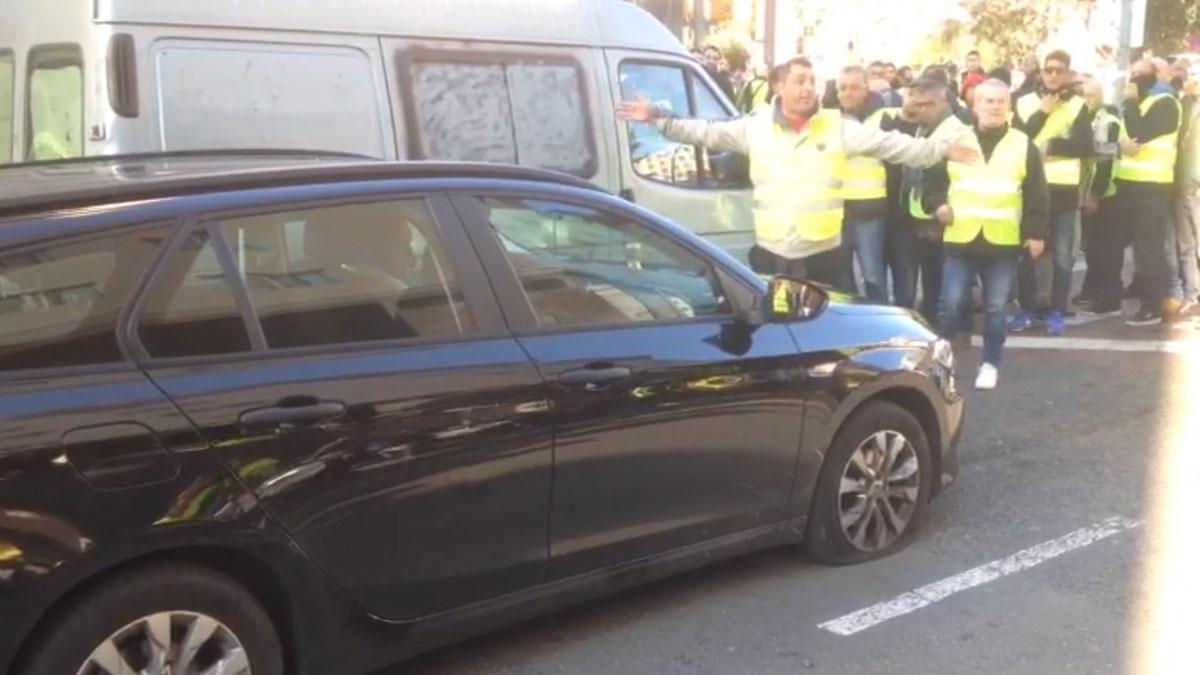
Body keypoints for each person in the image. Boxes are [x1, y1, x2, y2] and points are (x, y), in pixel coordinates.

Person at [616, 56, 980, 286]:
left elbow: (897, 146)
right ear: (779, 86)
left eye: (812, 81)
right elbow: (706, 132)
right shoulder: (754, 125)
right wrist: (661, 119)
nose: (808, 88)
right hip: (773, 254)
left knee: (824, 336)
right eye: (799, 81)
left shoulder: (837, 126)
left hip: (824, 257)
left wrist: (942, 149)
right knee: (776, 334)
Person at [935, 79, 1049, 390]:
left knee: (997, 308)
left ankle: (990, 363)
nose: (995, 106)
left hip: (1003, 241)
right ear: (976, 106)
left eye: (1001, 101)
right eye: (988, 101)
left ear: (1009, 107)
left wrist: (1036, 233)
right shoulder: (956, 139)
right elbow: (931, 179)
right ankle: (945, 362)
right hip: (961, 236)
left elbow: (1037, 193)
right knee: (952, 303)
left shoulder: (1023, 144)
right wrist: (937, 205)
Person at [1010, 50, 1094, 336]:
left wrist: (1053, 148)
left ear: (1069, 74)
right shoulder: (1023, 102)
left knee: (1063, 257)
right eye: (1049, 70)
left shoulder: (1078, 105)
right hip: (1031, 188)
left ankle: (1057, 311)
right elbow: (1018, 139)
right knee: (1026, 254)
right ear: (1041, 73)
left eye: (1060, 70)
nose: (1054, 75)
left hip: (1064, 191)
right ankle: (1027, 310)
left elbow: (1085, 146)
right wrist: (1043, 112)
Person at [881, 75, 971, 319]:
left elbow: (957, 175)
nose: (919, 109)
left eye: (927, 104)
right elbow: (886, 139)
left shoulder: (958, 131)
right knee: (906, 284)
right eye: (916, 103)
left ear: (944, 101)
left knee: (937, 282)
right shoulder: (917, 125)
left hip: (937, 217)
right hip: (908, 217)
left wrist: (941, 205)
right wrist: (903, 113)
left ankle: (945, 328)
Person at [1115, 57, 1183, 326]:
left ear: (1156, 76)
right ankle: (1142, 292)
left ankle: (1154, 305)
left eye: (1139, 75)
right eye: (1131, 73)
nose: (1133, 80)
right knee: (1136, 248)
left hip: (1153, 186)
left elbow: (1139, 131)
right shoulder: (1139, 103)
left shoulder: (1166, 103)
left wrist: (1130, 102)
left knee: (1149, 248)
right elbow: (1121, 137)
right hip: (1129, 184)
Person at [838, 65, 892, 301]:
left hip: (869, 210)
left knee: (872, 275)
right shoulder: (828, 119)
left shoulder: (882, 118)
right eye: (843, 88)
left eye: (854, 87)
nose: (848, 93)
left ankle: (879, 321)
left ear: (866, 89)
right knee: (840, 277)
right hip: (835, 210)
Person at [1076, 78, 1124, 315]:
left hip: (1108, 193)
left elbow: (1104, 162)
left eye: (1091, 96)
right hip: (1095, 190)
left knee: (1106, 249)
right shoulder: (1093, 119)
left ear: (1101, 96)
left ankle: (1110, 295)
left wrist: (1095, 194)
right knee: (1093, 247)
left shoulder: (1107, 121)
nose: (1087, 100)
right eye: (1084, 96)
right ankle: (1093, 290)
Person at [1166, 68, 1200, 317]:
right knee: (1185, 243)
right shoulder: (1183, 105)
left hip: (1196, 184)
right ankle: (1192, 293)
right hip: (1181, 184)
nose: (1191, 80)